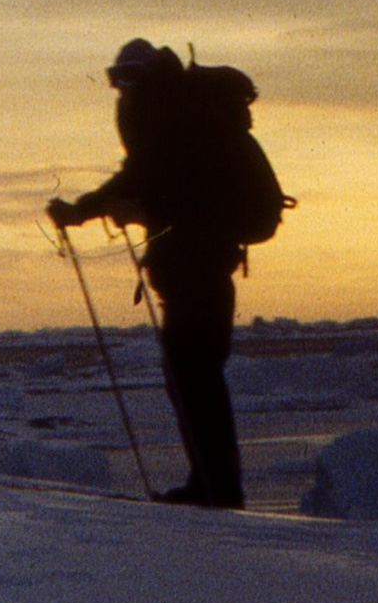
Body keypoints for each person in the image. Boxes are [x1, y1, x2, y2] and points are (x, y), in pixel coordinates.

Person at [47, 39, 252, 508]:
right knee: (192, 378)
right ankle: (212, 486)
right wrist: (93, 210)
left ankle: (217, 491)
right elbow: (144, 181)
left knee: (194, 378)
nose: (122, 91)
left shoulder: (170, 121)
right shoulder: (173, 119)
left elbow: (166, 192)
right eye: (117, 81)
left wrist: (107, 211)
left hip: (197, 269)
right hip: (197, 269)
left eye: (126, 80)